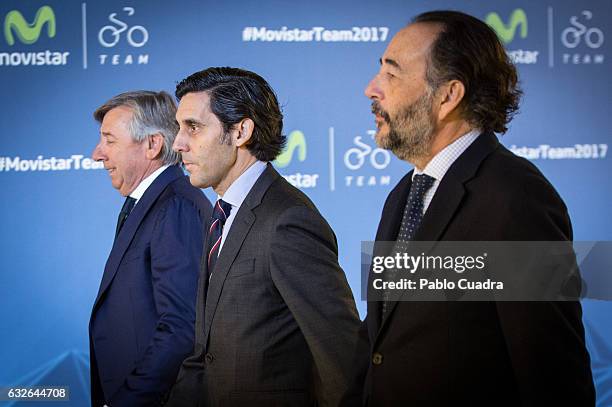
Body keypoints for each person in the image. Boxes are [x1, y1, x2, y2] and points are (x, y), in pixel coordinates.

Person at [359, 10, 596, 406]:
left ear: (449, 95)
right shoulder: (404, 194)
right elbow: (377, 340)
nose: (371, 89)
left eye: (391, 74)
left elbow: (553, 373)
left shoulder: (517, 198)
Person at [165, 67, 361, 406]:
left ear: (241, 131)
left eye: (193, 127)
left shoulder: (288, 219)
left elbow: (341, 353)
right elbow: (205, 355)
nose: (178, 143)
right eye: (179, 128)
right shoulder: (222, 213)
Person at [89, 91, 212, 407]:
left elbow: (181, 329)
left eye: (109, 141)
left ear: (152, 145)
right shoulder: (151, 203)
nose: (97, 154)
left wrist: (128, 400)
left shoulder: (176, 207)